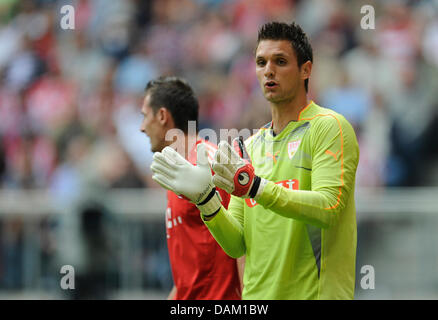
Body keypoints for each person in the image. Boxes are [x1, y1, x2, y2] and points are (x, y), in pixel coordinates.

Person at [150, 22, 360, 300]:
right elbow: (236, 244)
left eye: (280, 61)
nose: (268, 70)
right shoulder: (248, 147)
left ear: (305, 70)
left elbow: (329, 207)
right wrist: (207, 200)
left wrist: (256, 187)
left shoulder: (329, 127)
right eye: (261, 62)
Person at [140, 76, 243, 300]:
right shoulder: (176, 171)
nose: (141, 127)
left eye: (144, 116)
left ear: (162, 116)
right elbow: (189, 273)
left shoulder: (213, 163)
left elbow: (244, 244)